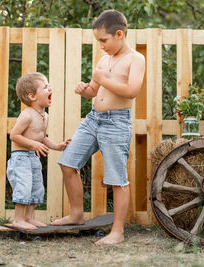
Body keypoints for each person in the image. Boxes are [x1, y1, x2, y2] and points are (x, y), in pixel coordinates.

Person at [52, 9, 145, 245]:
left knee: (117, 178)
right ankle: (76, 214)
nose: (101, 46)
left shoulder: (136, 59)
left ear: (120, 34)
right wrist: (86, 90)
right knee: (67, 163)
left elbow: (132, 91)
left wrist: (103, 80)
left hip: (116, 122)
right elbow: (95, 90)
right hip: (93, 119)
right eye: (98, 41)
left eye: (103, 40)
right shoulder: (104, 60)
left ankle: (117, 232)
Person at [7, 72, 71, 230]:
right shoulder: (27, 115)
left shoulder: (45, 116)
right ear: (32, 96)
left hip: (32, 158)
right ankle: (18, 219)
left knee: (36, 187)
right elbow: (14, 136)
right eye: (45, 87)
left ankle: (29, 218)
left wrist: (57, 146)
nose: (50, 88)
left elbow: (41, 137)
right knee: (23, 186)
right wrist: (33, 145)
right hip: (20, 158)